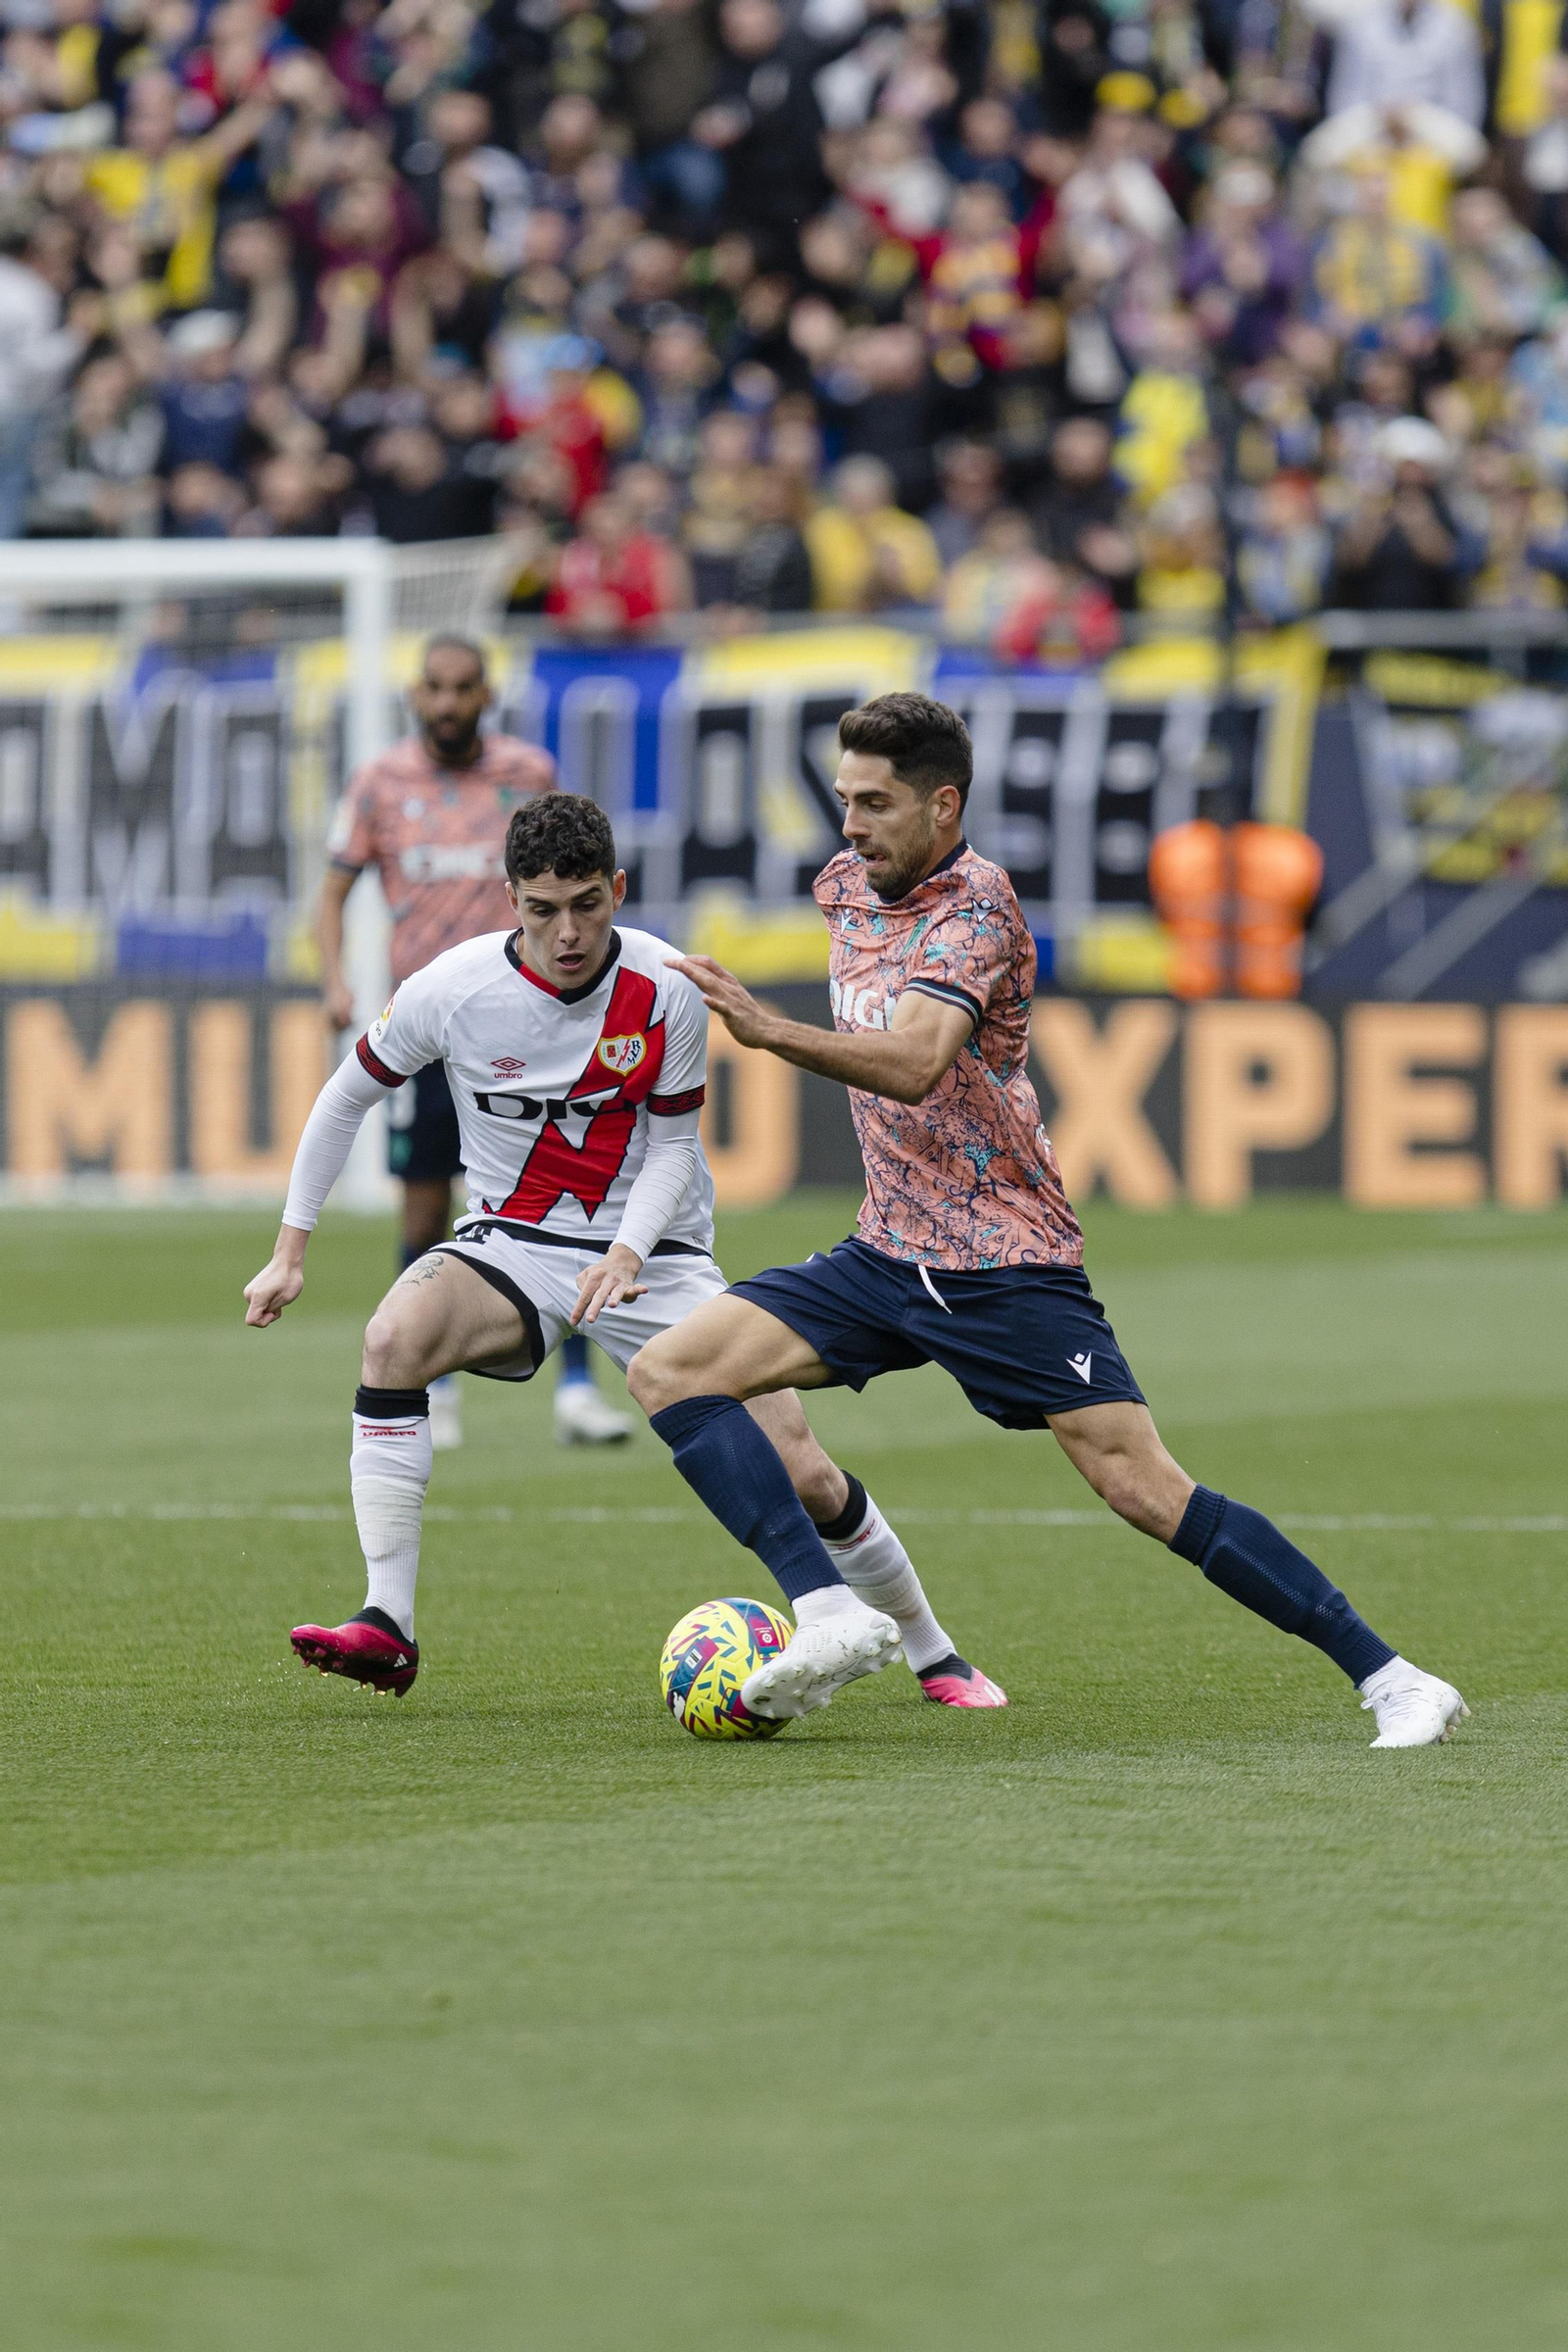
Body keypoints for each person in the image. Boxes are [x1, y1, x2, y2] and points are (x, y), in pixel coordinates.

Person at [625, 693, 1469, 1746]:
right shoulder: (845, 885)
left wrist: (767, 1029)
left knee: (1140, 1486)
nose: (850, 825)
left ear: (943, 806)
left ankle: (1391, 1677)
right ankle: (833, 1611)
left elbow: (919, 1061)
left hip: (1001, 1261)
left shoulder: (979, 908)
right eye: (843, 800)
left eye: (875, 804)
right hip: (885, 1250)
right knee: (671, 1371)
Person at [245, 792, 1004, 1713]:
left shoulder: (666, 984)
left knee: (802, 1467)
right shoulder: (451, 990)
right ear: (510, 900)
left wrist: (629, 1255)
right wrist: (291, 1250)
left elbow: (677, 1146)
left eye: (586, 906)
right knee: (392, 1338)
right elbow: (343, 1098)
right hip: (514, 1246)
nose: (566, 932)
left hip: (662, 1253)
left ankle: (934, 1654)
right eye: (541, 909)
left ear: (618, 888)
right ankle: (387, 1623)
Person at [317, 634, 630, 1450]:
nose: (450, 703)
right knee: (425, 1208)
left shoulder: (526, 772)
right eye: (436, 689)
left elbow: (569, 864)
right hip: (429, 1032)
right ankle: (433, 1385)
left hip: (532, 1028)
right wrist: (334, 981)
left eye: (464, 688)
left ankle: (575, 1392)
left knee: (572, 1205)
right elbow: (334, 888)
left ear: (486, 693)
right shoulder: (379, 782)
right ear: (416, 695)